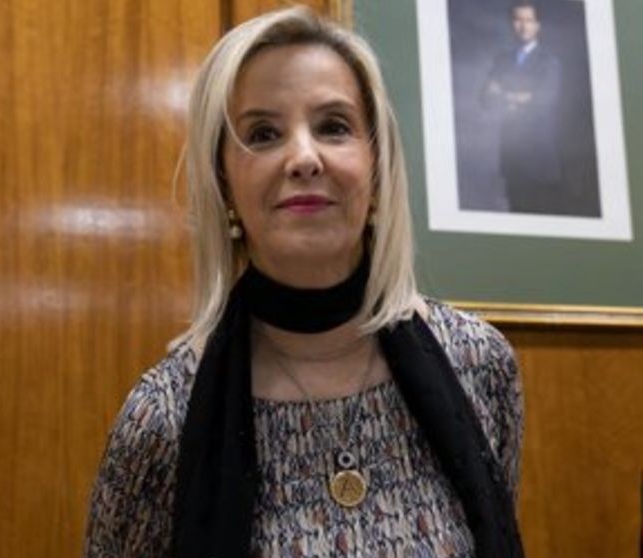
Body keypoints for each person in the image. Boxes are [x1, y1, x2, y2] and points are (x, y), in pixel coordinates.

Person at [85, 6, 524, 557]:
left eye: (333, 127)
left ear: (378, 166)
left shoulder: (478, 362)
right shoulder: (162, 416)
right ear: (223, 183)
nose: (304, 158)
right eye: (263, 133)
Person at [481, 1, 562, 214]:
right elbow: (485, 100)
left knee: (539, 217)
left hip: (539, 160)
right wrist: (522, 96)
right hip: (511, 159)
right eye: (518, 20)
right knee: (515, 211)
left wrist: (504, 93)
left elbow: (543, 102)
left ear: (538, 25)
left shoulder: (548, 63)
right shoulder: (502, 61)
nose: (523, 26)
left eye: (529, 20)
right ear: (511, 24)